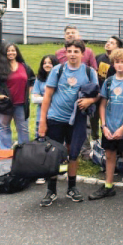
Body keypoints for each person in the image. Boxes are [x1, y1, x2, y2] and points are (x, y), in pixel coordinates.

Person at [38, 40, 100, 207]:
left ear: (82, 53)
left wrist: (90, 100)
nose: (72, 54)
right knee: (53, 155)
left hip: (77, 120)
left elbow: (98, 94)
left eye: (76, 51)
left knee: (73, 153)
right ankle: (51, 190)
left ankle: (71, 187)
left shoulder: (89, 72)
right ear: (65, 53)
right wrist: (42, 121)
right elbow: (47, 97)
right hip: (55, 118)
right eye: (69, 51)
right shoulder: (58, 71)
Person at [89, 49, 123, 202]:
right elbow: (102, 105)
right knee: (109, 155)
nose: (120, 65)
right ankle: (108, 186)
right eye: (117, 62)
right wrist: (104, 126)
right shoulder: (108, 82)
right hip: (110, 127)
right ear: (113, 64)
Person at [0, 43, 35, 149]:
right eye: (8, 51)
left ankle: (24, 151)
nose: (11, 53)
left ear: (17, 52)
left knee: (23, 128)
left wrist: (29, 90)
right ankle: (5, 151)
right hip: (5, 104)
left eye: (13, 50)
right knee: (4, 127)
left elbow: (32, 79)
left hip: (21, 104)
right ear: (4, 53)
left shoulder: (24, 66)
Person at [32, 55, 58, 137]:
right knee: (40, 137)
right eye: (44, 63)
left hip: (56, 114)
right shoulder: (39, 79)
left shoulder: (60, 78)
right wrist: (49, 98)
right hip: (41, 114)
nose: (47, 65)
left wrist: (41, 97)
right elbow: (34, 99)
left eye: (50, 63)